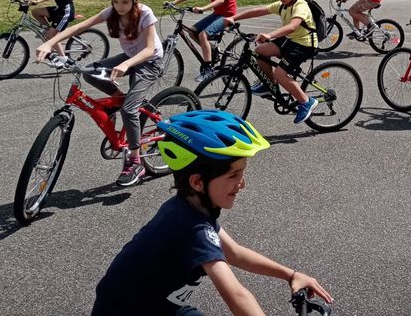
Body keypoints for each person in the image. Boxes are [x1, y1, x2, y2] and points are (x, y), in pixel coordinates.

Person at [92, 110, 332, 316]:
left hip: (156, 304)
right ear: (197, 182)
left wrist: (291, 275)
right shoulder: (191, 227)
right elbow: (236, 295)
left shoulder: (190, 208)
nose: (242, 184)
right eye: (233, 175)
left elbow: (235, 253)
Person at [37, 0, 165, 187]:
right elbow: (78, 27)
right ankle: (119, 99)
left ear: (136, 0)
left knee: (129, 110)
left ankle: (135, 161)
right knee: (89, 72)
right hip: (129, 57)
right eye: (115, 1)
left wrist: (126, 64)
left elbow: (150, 48)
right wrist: (50, 43)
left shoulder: (145, 14)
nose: (119, 6)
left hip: (149, 61)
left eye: (125, 2)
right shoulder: (111, 13)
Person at [223, 0, 319, 125]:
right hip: (290, 40)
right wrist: (233, 17)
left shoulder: (301, 6)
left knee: (280, 75)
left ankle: (306, 101)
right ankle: (270, 86)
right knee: (260, 51)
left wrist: (270, 35)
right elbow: (258, 11)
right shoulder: (282, 4)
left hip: (304, 44)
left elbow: (293, 26)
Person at [170, 0, 237, 84]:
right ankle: (213, 50)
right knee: (192, 31)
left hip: (228, 14)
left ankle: (208, 68)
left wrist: (203, 8)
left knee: (203, 35)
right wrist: (173, 2)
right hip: (217, 13)